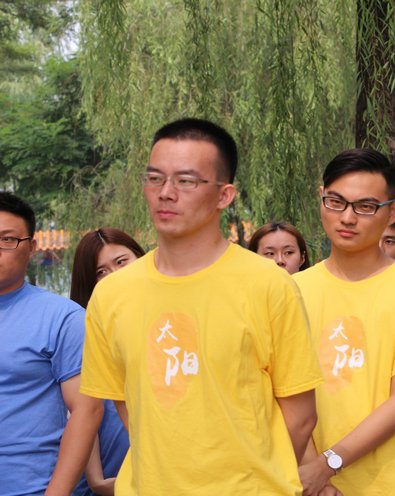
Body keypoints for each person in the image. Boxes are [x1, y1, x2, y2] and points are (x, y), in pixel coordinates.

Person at [79, 118, 322, 494]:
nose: (165, 193)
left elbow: (301, 416)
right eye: (155, 178)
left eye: (186, 181)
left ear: (224, 195)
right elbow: (127, 405)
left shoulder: (270, 285)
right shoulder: (112, 294)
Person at [293, 148, 395, 495]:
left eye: (365, 206)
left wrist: (326, 465)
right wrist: (312, 473)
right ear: (321, 198)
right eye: (335, 202)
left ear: (393, 211)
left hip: (394, 482)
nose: (347, 218)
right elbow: (283, 391)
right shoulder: (292, 291)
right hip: (309, 484)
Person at [0, 191, 104, 495]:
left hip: (31, 487)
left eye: (7, 239)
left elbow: (87, 411)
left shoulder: (62, 318)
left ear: (31, 247)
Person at [70, 228, 145, 495]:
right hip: (112, 470)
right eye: (101, 272)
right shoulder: (84, 330)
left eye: (122, 262)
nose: (115, 275)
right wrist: (97, 479)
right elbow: (83, 408)